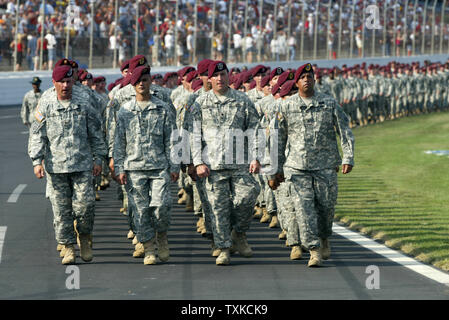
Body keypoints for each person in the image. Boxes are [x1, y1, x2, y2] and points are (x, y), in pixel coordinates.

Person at [269, 63, 355, 267]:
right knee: (303, 211)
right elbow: (277, 139)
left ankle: (325, 237)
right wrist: (275, 170)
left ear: (314, 80)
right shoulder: (286, 106)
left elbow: (344, 129)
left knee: (326, 208)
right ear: (296, 83)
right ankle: (314, 250)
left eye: (310, 76)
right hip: (297, 168)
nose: (307, 80)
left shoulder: (328, 102)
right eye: (303, 77)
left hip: (325, 167)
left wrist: (348, 157)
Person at [28, 65, 107, 265]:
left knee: (85, 207)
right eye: (61, 82)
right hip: (57, 169)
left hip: (82, 166)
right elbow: (37, 134)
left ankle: (85, 238)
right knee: (62, 212)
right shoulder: (45, 104)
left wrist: (99, 159)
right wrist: (37, 161)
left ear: (73, 82)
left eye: (68, 81)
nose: (65, 85)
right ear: (54, 83)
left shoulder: (84, 103)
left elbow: (96, 134)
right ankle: (69, 247)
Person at [189, 61, 261, 265]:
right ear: (209, 79)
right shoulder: (200, 103)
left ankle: (239, 233)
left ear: (228, 76)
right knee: (218, 209)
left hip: (240, 163)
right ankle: (223, 248)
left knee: (247, 197)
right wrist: (197, 162)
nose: (220, 78)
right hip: (212, 166)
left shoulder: (242, 100)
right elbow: (194, 135)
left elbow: (254, 130)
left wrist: (256, 156)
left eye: (223, 74)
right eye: (216, 75)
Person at [113, 66, 179, 265]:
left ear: (151, 81)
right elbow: (119, 142)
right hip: (134, 169)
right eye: (138, 80)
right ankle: (149, 248)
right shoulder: (125, 111)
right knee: (140, 212)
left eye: (145, 79)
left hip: (159, 168)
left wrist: (174, 166)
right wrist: (119, 168)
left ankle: (162, 236)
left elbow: (172, 140)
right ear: (132, 84)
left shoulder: (162, 108)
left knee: (161, 207)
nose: (142, 83)